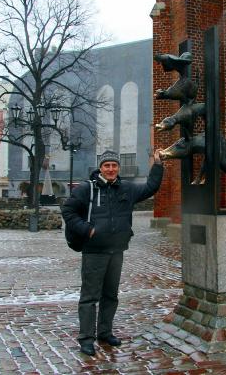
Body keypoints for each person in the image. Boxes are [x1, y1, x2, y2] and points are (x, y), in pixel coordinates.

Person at [61, 149, 164, 356]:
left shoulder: (126, 188)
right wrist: (87, 229)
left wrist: (158, 165)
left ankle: (105, 332)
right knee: (90, 297)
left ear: (118, 168)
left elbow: (151, 187)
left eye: (114, 165)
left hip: (117, 250)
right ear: (100, 168)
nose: (110, 169)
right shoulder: (86, 189)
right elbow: (68, 211)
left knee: (111, 295)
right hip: (94, 251)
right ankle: (86, 338)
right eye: (107, 165)